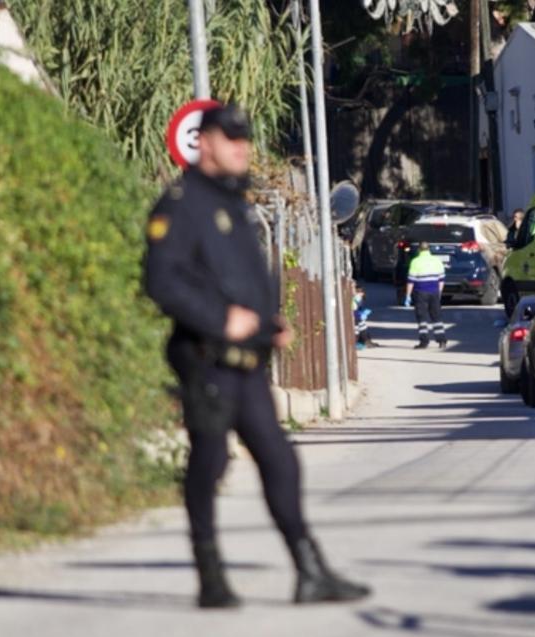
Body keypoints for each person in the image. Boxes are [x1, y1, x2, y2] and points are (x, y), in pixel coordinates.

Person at [142, 103, 371, 609]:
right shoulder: (180, 205)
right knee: (211, 458)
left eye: (245, 140)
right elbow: (161, 280)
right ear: (204, 144)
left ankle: (310, 571)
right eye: (231, 140)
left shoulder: (235, 202)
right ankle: (210, 573)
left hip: (247, 362)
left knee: (280, 461)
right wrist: (220, 320)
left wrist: (271, 325)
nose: (242, 148)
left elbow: (240, 278)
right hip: (204, 354)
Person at [404, 241, 447, 349]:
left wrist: (408, 296)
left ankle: (424, 341)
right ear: (429, 249)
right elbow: (441, 280)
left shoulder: (415, 261)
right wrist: (439, 292)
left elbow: (411, 281)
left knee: (422, 317)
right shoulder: (437, 261)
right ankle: (441, 340)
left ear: (419, 250)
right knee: (436, 316)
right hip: (434, 291)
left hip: (420, 292)